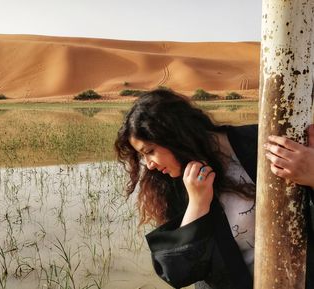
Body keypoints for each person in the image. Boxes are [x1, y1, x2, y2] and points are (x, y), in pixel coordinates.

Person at [114, 88, 314, 289]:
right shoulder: (171, 184)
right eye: (142, 156)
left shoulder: (259, 142)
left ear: (174, 135)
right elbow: (176, 272)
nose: (148, 164)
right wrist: (197, 204)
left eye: (150, 151)